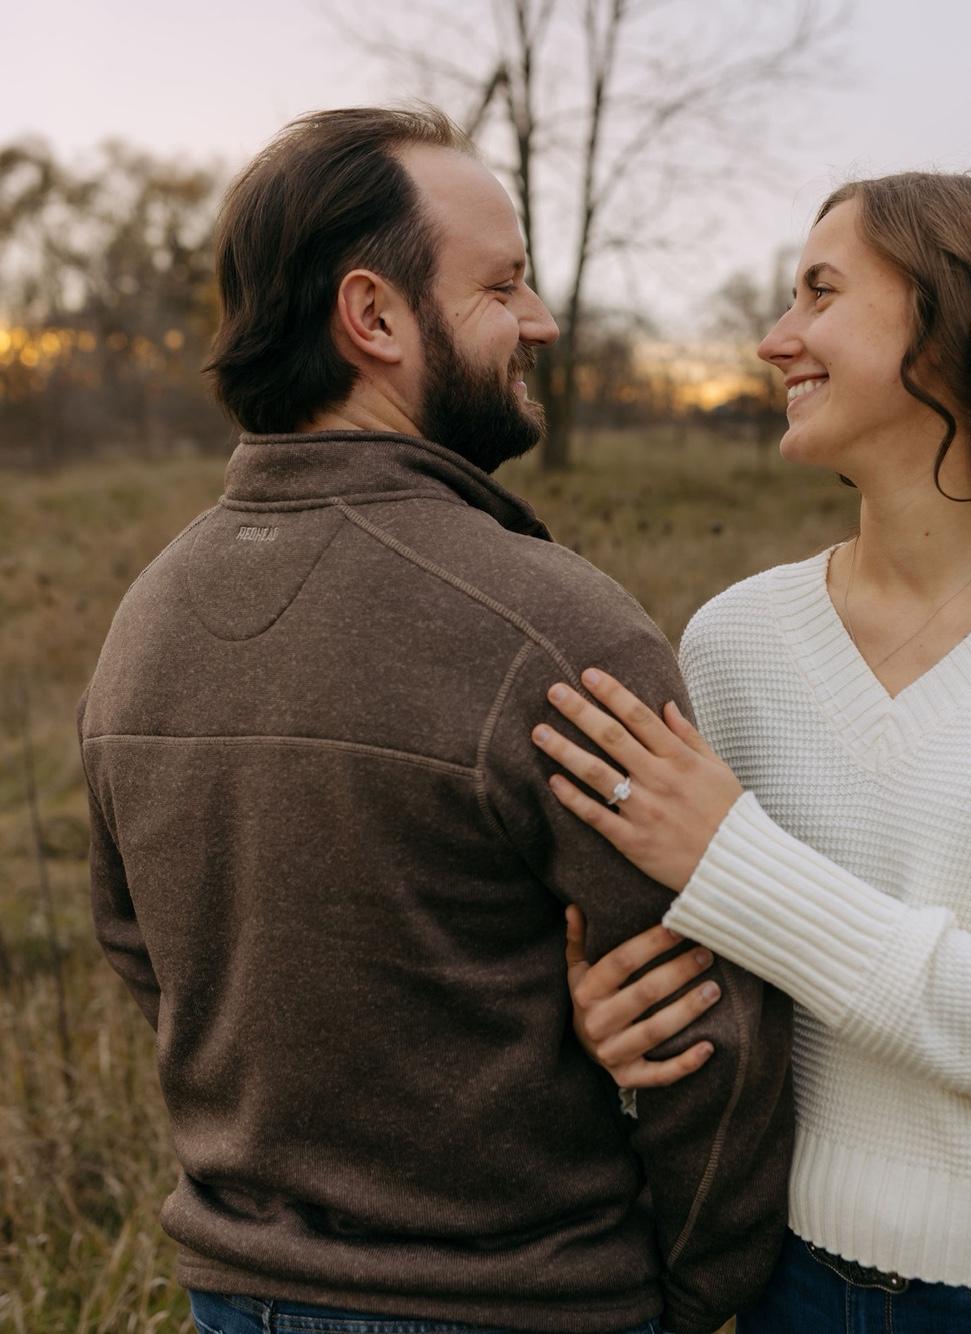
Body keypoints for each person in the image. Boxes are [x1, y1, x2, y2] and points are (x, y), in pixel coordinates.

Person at [77, 104, 792, 1334]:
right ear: (374, 316)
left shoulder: (143, 620)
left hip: (233, 1294)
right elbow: (703, 1036)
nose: (540, 320)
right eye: (502, 284)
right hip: (519, 1302)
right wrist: (685, 1290)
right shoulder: (556, 632)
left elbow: (147, 956)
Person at [530, 171, 971, 1333]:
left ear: (949, 328)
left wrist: (731, 856)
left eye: (818, 292)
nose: (773, 338)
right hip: (775, 1272)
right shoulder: (736, 638)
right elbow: (723, 982)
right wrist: (612, 1025)